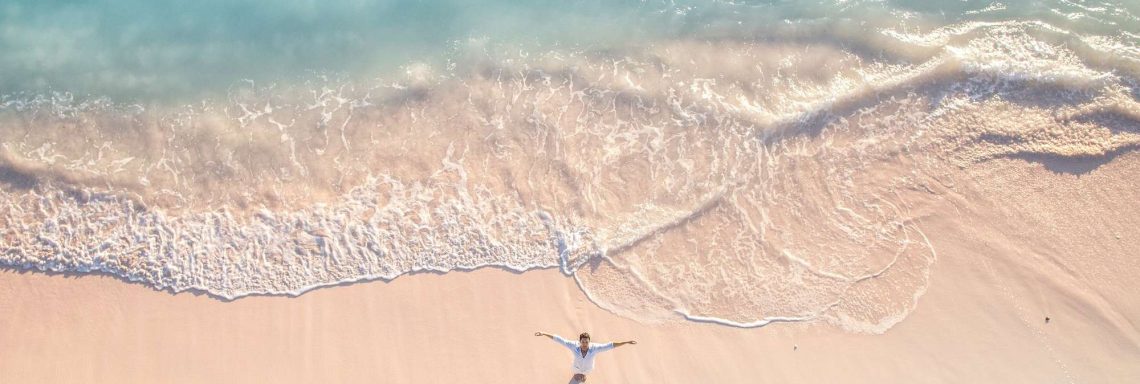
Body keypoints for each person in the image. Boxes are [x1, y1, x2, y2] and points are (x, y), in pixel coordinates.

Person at [535, 331, 636, 382]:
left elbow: (610, 345)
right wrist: (544, 333)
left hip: (588, 368)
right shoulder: (573, 346)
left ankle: (583, 375)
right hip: (576, 367)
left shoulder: (595, 348)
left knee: (584, 375)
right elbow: (560, 340)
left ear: (589, 342)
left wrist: (626, 342)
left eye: (586, 342)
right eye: (583, 342)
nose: (584, 344)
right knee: (576, 374)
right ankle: (578, 375)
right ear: (580, 341)